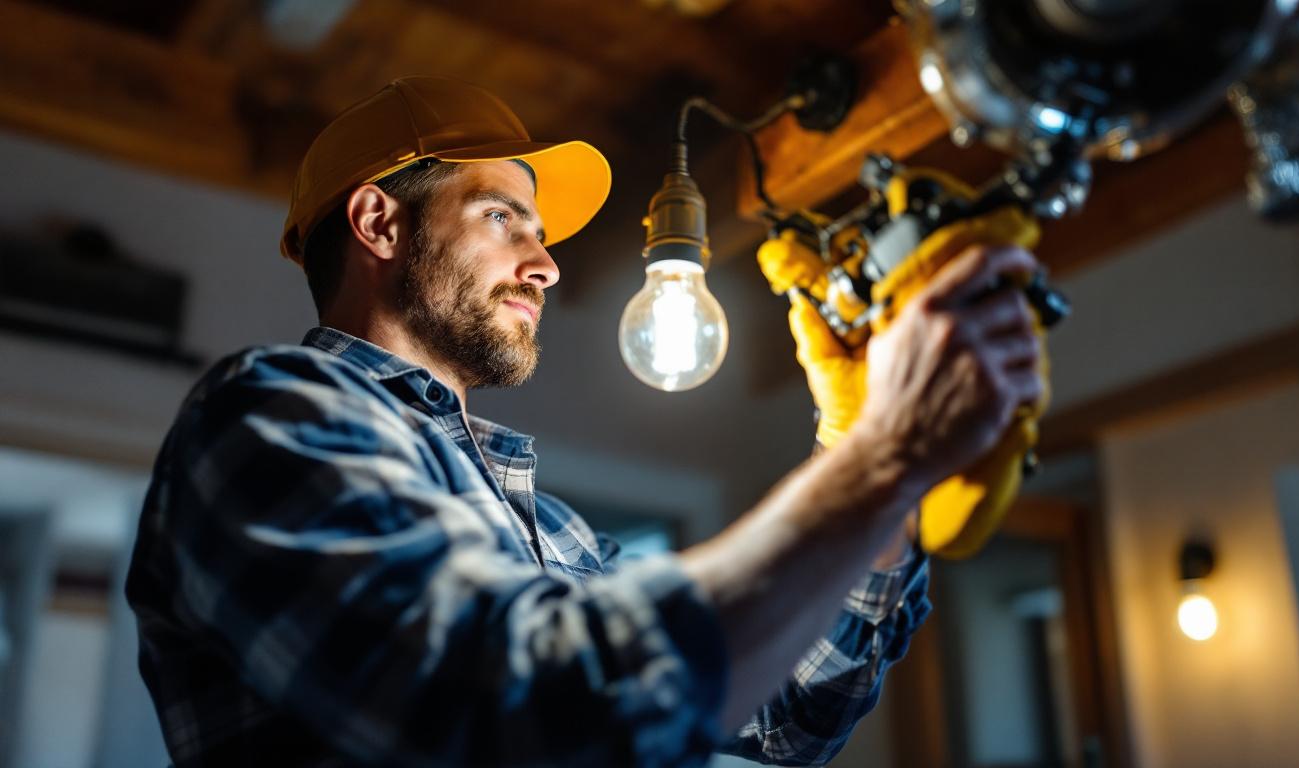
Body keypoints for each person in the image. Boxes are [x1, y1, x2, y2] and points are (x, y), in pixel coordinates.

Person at [126, 77, 1043, 767]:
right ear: (378, 222)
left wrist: (863, 452)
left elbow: (791, 712)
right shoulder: (267, 415)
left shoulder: (553, 532)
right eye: (504, 219)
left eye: (542, 235)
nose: (547, 266)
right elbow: (512, 706)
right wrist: (886, 458)